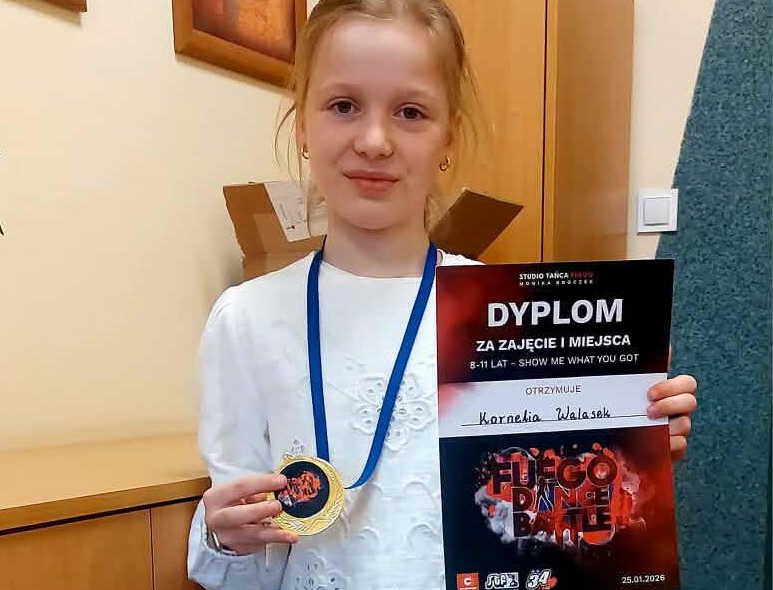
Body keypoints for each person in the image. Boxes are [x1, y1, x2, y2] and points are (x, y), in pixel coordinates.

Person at [187, 1, 698, 588]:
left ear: (448, 135)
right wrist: (226, 538)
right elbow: (241, 570)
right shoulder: (247, 320)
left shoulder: (510, 317)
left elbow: (557, 538)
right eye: (344, 105)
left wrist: (629, 453)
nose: (374, 141)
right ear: (303, 122)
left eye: (410, 112)